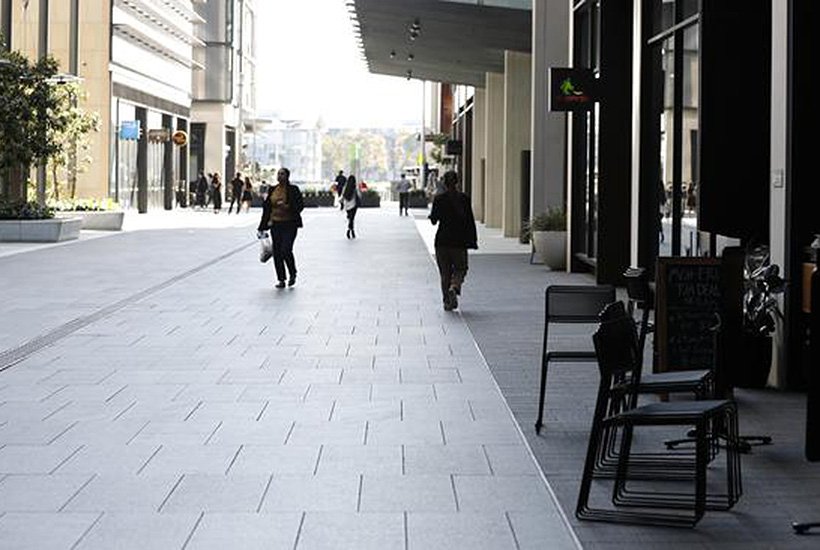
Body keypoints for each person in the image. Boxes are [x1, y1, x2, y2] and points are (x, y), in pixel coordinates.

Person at [429, 170, 478, 311]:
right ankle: (455, 285)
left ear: (444, 182)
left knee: (444, 273)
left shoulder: (439, 199)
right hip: (459, 241)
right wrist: (473, 240)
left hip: (442, 241)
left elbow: (434, 220)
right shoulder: (464, 199)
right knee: (461, 268)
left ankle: (447, 302)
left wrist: (432, 216)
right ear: (457, 182)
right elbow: (470, 220)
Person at [257, 167, 304, 288]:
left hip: (290, 224)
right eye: (278, 174)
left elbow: (300, 205)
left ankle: (292, 273)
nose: (279, 176)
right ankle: (281, 279)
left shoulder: (293, 189)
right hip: (275, 224)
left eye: (282, 174)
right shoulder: (273, 189)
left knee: (286, 249)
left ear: (287, 176)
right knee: (277, 252)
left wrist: (288, 206)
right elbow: (267, 208)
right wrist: (262, 225)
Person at [341, 174, 361, 239]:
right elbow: (359, 195)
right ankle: (350, 230)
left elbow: (343, 196)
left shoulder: (345, 187)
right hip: (354, 206)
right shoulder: (355, 188)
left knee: (350, 219)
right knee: (352, 219)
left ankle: (350, 230)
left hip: (347, 206)